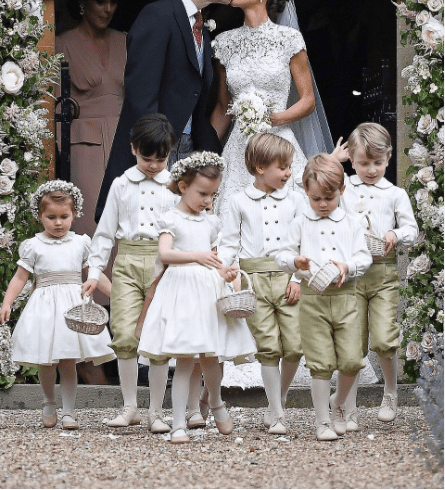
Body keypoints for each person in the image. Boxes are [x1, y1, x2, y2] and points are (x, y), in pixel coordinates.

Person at [96, 0, 243, 222]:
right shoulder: (158, 16)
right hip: (158, 149)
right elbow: (142, 93)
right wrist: (154, 153)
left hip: (189, 145)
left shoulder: (201, 23)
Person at [138, 152, 256, 444]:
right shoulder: (171, 219)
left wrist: (228, 273)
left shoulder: (211, 222)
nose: (207, 200)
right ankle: (178, 422)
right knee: (185, 357)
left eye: (212, 195)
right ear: (182, 187)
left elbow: (216, 259)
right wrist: (197, 256)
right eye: (202, 193)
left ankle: (215, 402)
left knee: (211, 356)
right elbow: (165, 253)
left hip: (207, 289)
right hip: (181, 290)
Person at [211, 0, 331, 225]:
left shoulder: (288, 39)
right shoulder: (223, 43)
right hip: (239, 148)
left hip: (280, 146)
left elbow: (308, 100)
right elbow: (223, 107)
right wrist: (208, 152)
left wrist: (273, 119)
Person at [83, 114, 178, 432]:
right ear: (134, 148)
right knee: (123, 334)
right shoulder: (121, 185)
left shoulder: (176, 185)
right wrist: (95, 271)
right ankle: (129, 407)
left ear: (170, 152)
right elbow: (105, 232)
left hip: (162, 266)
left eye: (160, 158)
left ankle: (155, 412)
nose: (153, 165)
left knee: (158, 339)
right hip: (126, 263)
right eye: (146, 158)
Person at [0, 181, 115, 430]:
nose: (58, 223)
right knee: (46, 361)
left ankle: (69, 411)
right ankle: (49, 402)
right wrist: (7, 302)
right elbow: (20, 277)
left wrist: (115, 295)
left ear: (74, 215)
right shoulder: (34, 246)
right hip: (44, 308)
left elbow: (95, 273)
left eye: (64, 216)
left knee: (68, 360)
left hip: (71, 307)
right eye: (51, 217)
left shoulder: (80, 243)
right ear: (40, 216)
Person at [275, 154, 372, 441]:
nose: (322, 204)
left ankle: (338, 402)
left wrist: (347, 266)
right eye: (316, 198)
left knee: (353, 359)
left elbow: (364, 257)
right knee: (320, 363)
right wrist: (296, 262)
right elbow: (281, 255)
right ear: (306, 192)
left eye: (328, 198)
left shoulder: (352, 223)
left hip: (345, 298)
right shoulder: (300, 222)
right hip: (313, 299)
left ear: (342, 191)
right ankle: (322, 422)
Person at [218, 133, 305, 434]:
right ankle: (278, 413)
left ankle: (277, 399)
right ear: (259, 167)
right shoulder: (238, 201)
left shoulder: (296, 200)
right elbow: (229, 243)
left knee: (294, 346)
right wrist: (226, 272)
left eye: (289, 166)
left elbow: (304, 243)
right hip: (252, 282)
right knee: (268, 347)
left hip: (288, 279)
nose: (288, 173)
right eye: (282, 167)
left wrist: (297, 278)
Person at [334, 123, 418, 430]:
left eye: (378, 163)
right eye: (364, 163)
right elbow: (318, 183)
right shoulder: (344, 188)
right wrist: (334, 161)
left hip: (383, 274)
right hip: (353, 275)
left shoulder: (395, 194)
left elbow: (412, 229)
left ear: (389, 159)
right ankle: (348, 407)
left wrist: (395, 233)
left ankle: (391, 392)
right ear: (353, 160)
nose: (371, 169)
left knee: (384, 338)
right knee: (353, 346)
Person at [56, 0, 132, 248]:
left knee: (127, 226)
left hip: (125, 144)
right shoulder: (61, 43)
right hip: (82, 146)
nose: (108, 8)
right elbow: (53, 108)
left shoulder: (127, 40)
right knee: (90, 226)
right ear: (82, 2)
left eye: (113, 2)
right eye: (101, 1)